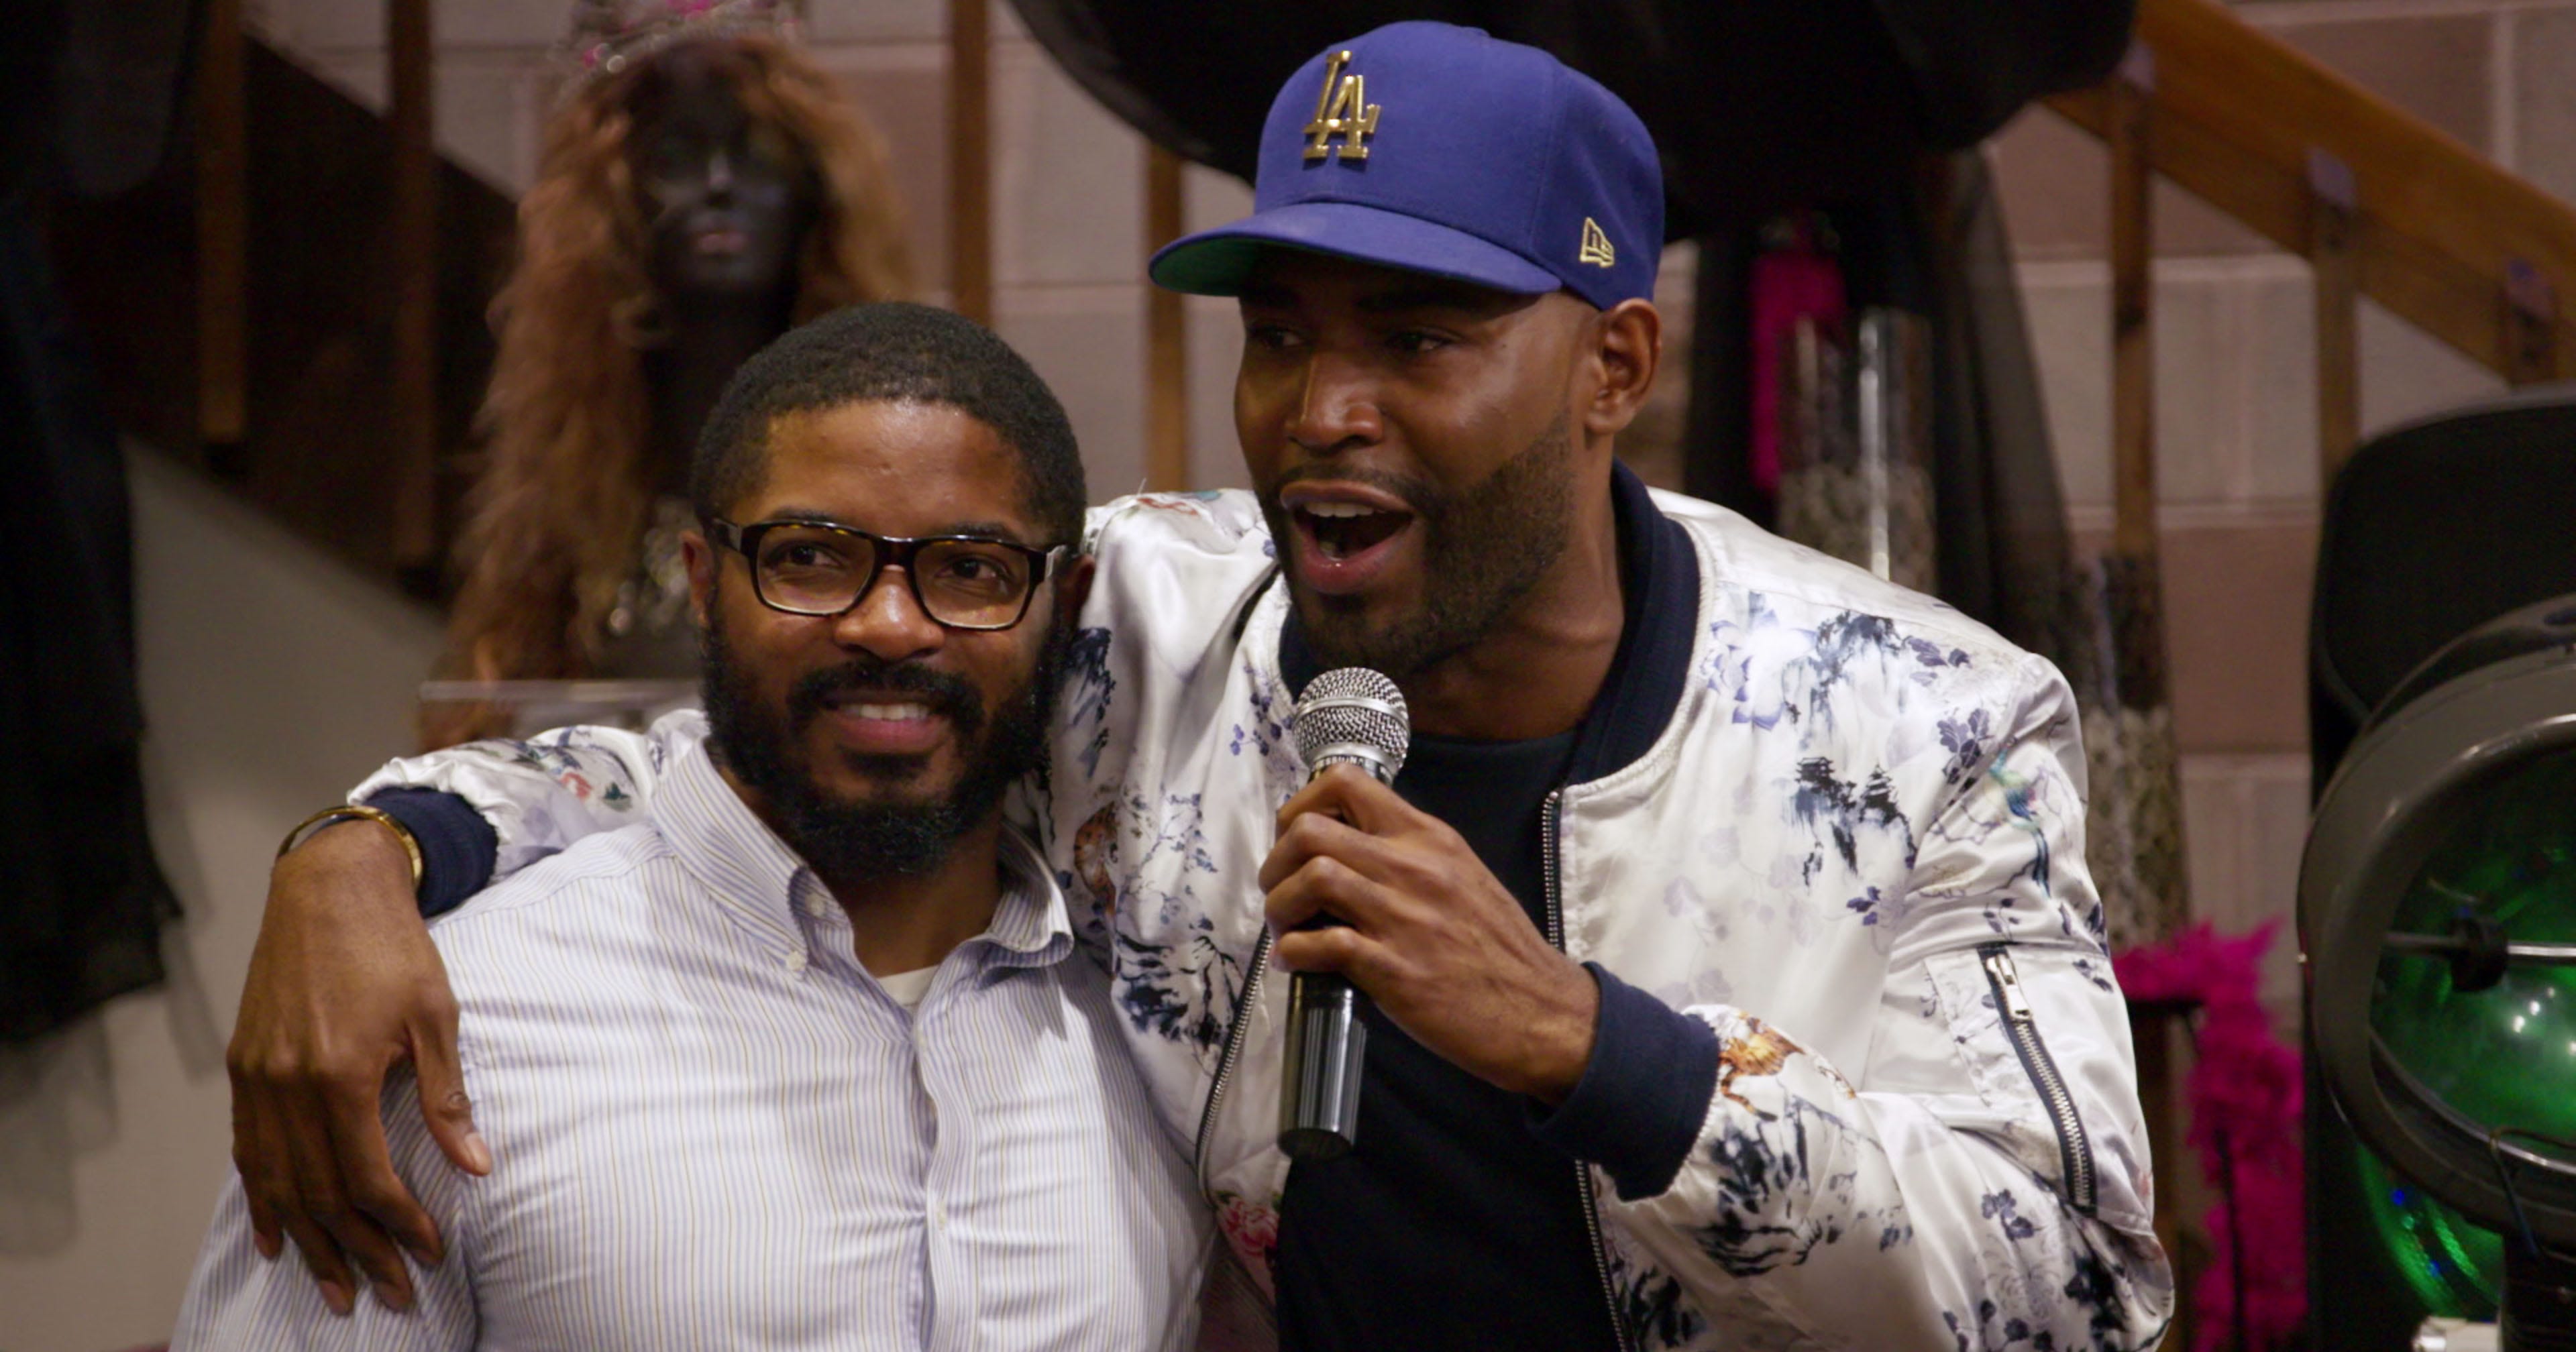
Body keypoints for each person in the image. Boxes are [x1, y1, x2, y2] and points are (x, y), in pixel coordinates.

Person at [231, 23, 2172, 1349]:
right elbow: (734, 742)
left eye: (1417, 337)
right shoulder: (1151, 630)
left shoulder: (1927, 725)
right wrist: (364, 853)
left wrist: (1592, 1048)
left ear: (1614, 367)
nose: (1323, 410)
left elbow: (2080, 1293)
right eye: (1283, 334)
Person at [178, 304, 1210, 1347]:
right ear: (708, 585)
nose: (890, 626)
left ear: (1064, 603)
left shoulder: (1159, 1030)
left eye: (972, 569)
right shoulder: (450, 1027)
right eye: (811, 557)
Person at [426, 0, 912, 747]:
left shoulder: (886, 455)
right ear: (619, 199)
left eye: (756, 157)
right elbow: (500, 718)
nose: (718, 185)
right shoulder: (574, 472)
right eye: (675, 161)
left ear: (814, 191)